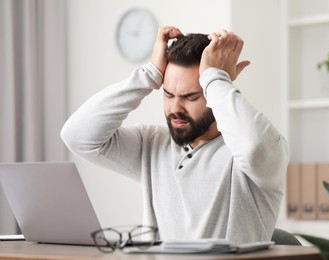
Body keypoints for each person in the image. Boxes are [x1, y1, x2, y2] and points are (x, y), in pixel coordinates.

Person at [61, 26, 289, 244]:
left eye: (190, 97)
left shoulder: (253, 154)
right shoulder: (151, 145)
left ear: (212, 93)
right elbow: (77, 136)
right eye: (169, 94)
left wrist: (216, 78)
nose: (175, 108)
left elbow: (255, 148)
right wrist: (149, 75)